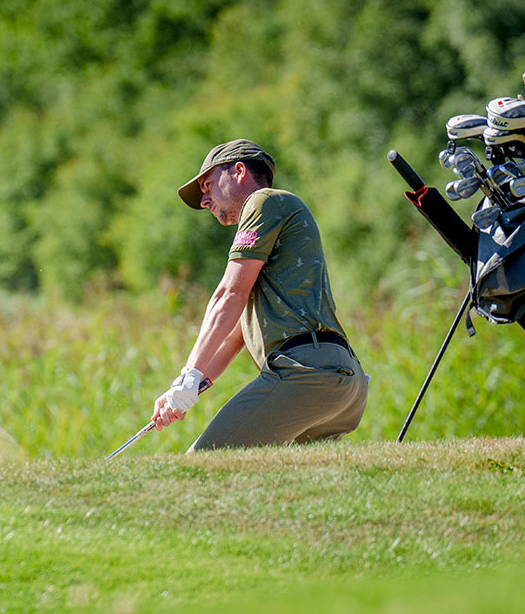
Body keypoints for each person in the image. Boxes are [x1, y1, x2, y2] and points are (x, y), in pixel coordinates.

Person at [152, 139, 369, 450]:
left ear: (239, 171)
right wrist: (185, 391)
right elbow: (233, 339)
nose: (204, 200)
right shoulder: (267, 238)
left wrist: (189, 374)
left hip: (307, 373)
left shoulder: (263, 201)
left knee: (204, 464)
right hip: (342, 381)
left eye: (208, 185)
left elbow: (229, 294)